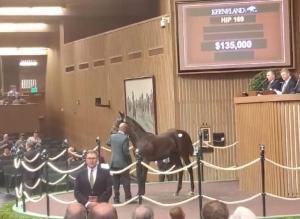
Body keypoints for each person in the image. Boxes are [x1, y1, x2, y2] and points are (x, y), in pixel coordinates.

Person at [109, 122, 133, 203]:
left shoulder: (112, 136)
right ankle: (128, 198)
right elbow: (125, 152)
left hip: (113, 162)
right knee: (126, 180)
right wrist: (130, 161)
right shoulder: (125, 138)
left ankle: (116, 198)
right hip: (123, 163)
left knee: (115, 181)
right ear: (125, 129)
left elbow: (108, 143)